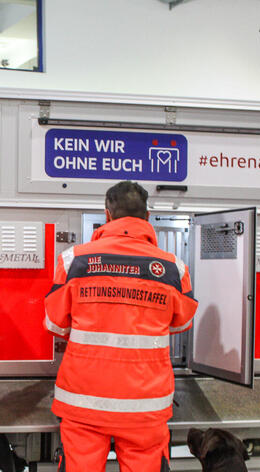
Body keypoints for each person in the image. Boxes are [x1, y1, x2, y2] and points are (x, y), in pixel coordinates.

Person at [44, 181, 197, 472]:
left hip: (83, 402)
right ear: (148, 217)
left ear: (107, 215)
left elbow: (54, 323)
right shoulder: (174, 268)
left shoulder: (73, 260)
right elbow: (182, 323)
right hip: (145, 405)